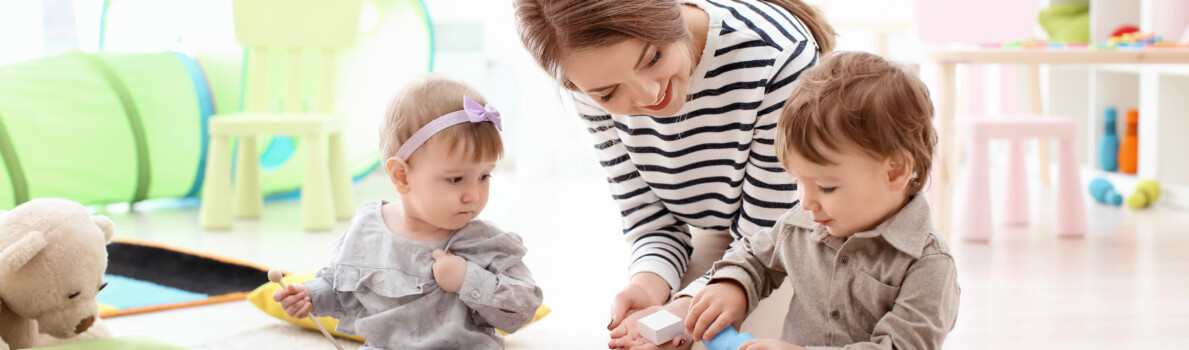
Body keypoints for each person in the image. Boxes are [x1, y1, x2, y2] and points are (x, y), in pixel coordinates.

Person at [514, 0, 836, 348]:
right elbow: (652, 223)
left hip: (798, 236)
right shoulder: (588, 85)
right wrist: (648, 283)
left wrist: (685, 307)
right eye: (608, 93)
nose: (651, 96)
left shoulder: (775, 53)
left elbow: (767, 236)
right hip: (723, 234)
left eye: (653, 58)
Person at [685, 51, 960, 349]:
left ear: (894, 171)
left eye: (826, 187)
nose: (806, 202)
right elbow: (753, 255)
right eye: (798, 182)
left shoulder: (928, 265)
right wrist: (733, 285)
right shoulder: (801, 226)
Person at [273, 76, 543, 349]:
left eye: (484, 176)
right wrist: (311, 295)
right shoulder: (368, 229)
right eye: (455, 179)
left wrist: (467, 279)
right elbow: (342, 287)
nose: (474, 194)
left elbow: (522, 310)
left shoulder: (484, 242)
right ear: (402, 175)